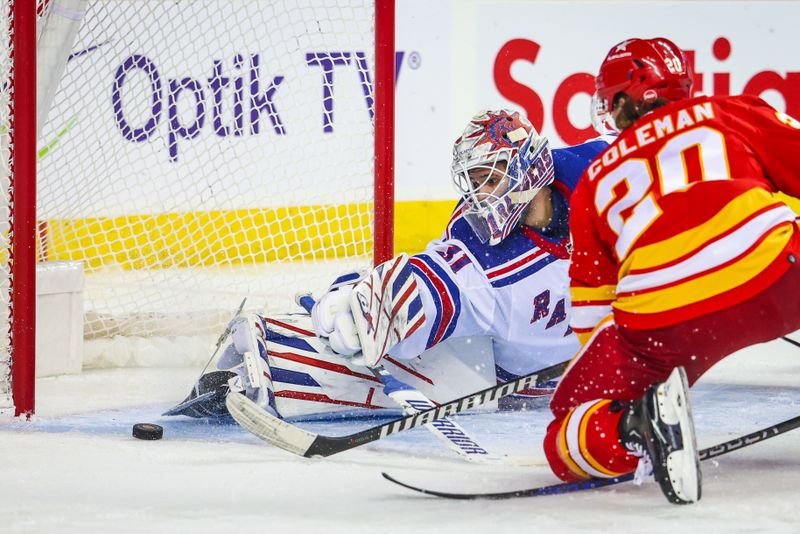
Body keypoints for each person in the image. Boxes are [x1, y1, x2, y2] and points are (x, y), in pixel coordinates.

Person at [167, 109, 608, 421]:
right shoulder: (480, 248)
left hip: (619, 363)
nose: (481, 197)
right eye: (474, 184)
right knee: (410, 355)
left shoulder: (599, 172)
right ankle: (271, 354)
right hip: (520, 386)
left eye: (491, 179)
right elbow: (430, 280)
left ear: (529, 170)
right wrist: (365, 301)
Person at [543, 37, 800, 505]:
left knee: (564, 430)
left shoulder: (595, 178)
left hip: (665, 327)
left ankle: (637, 425)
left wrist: (620, 379)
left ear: (625, 97)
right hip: (776, 278)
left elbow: (591, 322)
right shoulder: (727, 111)